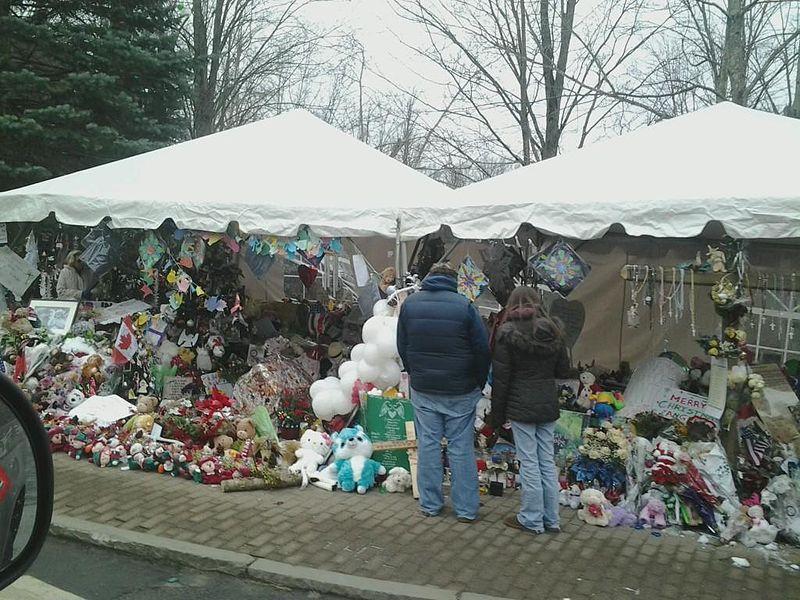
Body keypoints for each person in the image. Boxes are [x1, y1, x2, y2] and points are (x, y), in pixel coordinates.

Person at [397, 262, 490, 522]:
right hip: (460, 388)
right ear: (454, 281)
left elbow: (402, 344)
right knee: (461, 448)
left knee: (427, 445)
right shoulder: (465, 306)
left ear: (429, 278)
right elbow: (482, 350)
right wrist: (478, 382)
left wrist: (414, 371)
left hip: (424, 388)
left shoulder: (411, 305)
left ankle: (430, 504)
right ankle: (466, 509)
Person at [491, 286, 572, 534]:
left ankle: (531, 519)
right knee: (546, 461)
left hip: (520, 404)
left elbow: (501, 379)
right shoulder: (554, 330)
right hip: (547, 402)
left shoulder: (507, 333)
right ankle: (552, 519)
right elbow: (563, 371)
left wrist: (497, 415)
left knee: (528, 462)